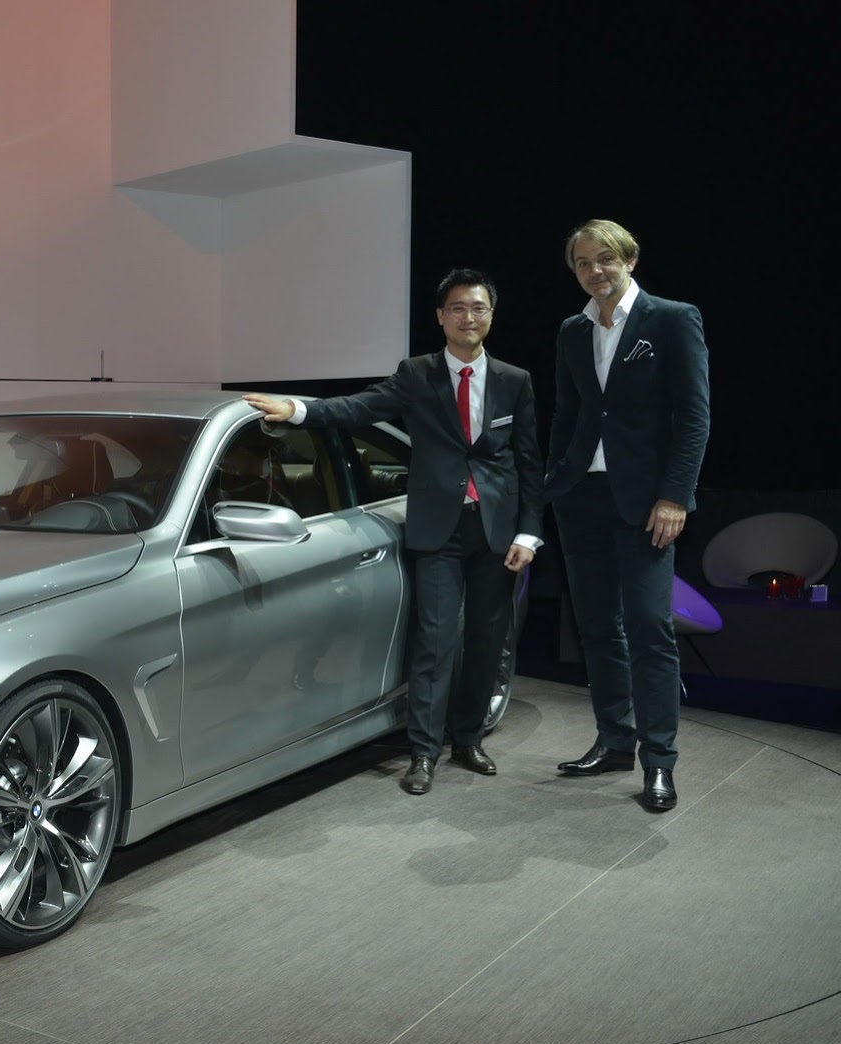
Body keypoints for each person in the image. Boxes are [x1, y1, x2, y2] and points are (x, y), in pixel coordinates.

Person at [245, 268, 542, 795]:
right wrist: (297, 410)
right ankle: (423, 752)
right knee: (434, 642)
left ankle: (468, 739)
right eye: (457, 308)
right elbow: (358, 407)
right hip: (438, 531)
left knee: (486, 641)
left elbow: (528, 463)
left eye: (477, 308)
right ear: (441, 317)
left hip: (496, 534)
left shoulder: (514, 381)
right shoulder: (416, 374)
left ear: (491, 315)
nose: (468, 317)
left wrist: (529, 533)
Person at [544, 220, 710, 812]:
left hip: (646, 504)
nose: (595, 271)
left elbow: (694, 418)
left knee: (648, 628)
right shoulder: (573, 330)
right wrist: (553, 482)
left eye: (606, 259)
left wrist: (674, 496)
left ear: (630, 259)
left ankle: (658, 761)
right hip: (580, 499)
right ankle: (615, 742)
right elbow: (567, 414)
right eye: (583, 263)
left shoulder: (672, 319)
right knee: (596, 628)